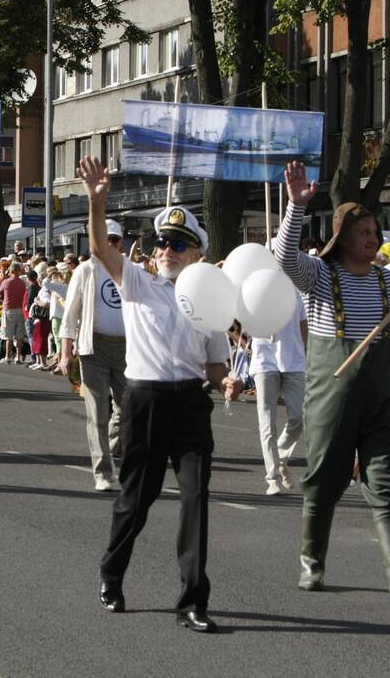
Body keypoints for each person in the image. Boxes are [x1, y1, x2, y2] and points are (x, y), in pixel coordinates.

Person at [80, 155, 240, 634]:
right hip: (145, 400)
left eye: (178, 244)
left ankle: (193, 599)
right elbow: (100, 251)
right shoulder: (137, 282)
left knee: (195, 498)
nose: (166, 249)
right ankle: (112, 571)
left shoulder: (210, 297)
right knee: (138, 497)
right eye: (161, 242)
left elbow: (214, 363)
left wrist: (226, 380)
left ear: (197, 254)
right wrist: (97, 199)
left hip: (190, 404)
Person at [279, 160, 390, 603]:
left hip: (382, 395)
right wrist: (296, 205)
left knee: (389, 479)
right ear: (342, 237)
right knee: (325, 479)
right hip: (331, 394)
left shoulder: (389, 282)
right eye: (364, 231)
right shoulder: (319, 275)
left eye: (376, 231)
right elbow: (283, 258)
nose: (374, 238)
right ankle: (312, 561)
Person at [59, 219, 128, 492]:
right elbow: (70, 315)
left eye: (115, 240)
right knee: (98, 412)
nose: (110, 245)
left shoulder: (130, 270)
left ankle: (110, 448)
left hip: (127, 349)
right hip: (93, 348)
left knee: (130, 409)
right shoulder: (85, 271)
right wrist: (65, 353)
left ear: (121, 243)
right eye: (106, 239)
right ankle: (103, 472)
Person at [249, 303, 307, 495]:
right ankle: (272, 477)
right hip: (264, 360)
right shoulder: (256, 289)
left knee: (300, 416)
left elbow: (303, 325)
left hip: (295, 361)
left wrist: (307, 352)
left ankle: (280, 457)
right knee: (267, 421)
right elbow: (246, 323)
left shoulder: (297, 293)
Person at [0, 262, 27, 364]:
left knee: (8, 335)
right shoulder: (22, 283)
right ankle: (18, 357)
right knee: (19, 335)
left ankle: (8, 357)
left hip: (8, 309)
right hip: (20, 309)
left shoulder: (6, 282)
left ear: (11, 271)